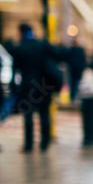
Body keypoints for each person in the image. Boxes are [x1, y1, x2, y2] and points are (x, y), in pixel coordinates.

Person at [10, 23, 61, 152]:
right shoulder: (42, 45)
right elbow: (57, 57)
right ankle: (45, 142)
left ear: (21, 32)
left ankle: (29, 144)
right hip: (44, 85)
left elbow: (15, 71)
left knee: (28, 116)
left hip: (27, 87)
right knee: (44, 114)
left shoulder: (20, 48)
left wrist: (14, 87)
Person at [67, 37, 87, 102]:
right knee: (75, 84)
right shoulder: (76, 50)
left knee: (74, 84)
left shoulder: (73, 50)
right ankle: (74, 97)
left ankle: (74, 97)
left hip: (75, 70)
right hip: (75, 70)